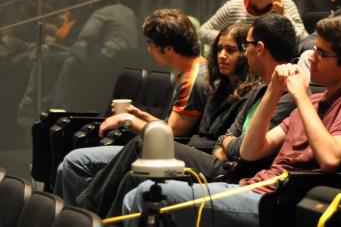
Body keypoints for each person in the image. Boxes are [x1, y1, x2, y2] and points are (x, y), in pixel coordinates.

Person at [122, 16, 341, 227]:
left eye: (322, 53)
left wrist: (300, 94)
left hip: (281, 201)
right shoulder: (314, 102)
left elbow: (331, 158)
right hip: (254, 187)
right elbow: (252, 150)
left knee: (146, 194)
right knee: (141, 189)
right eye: (314, 50)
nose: (311, 58)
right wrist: (273, 91)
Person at [75, 18, 297, 217]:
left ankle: (84, 212)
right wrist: (228, 143)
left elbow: (246, 149)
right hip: (213, 157)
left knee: (143, 144)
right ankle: (94, 219)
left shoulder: (284, 96)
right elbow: (227, 136)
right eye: (219, 49)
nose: (221, 55)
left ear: (258, 49)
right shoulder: (260, 90)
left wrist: (228, 145)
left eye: (235, 49)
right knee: (127, 176)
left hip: (229, 170)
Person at [54, 8, 210, 205]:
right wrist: (140, 114)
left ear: (168, 48)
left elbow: (171, 136)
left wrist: (127, 120)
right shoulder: (192, 70)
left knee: (75, 162)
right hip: (166, 148)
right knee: (67, 165)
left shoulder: (194, 79)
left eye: (151, 44)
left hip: (172, 156)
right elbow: (171, 127)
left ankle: (85, 215)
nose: (149, 50)